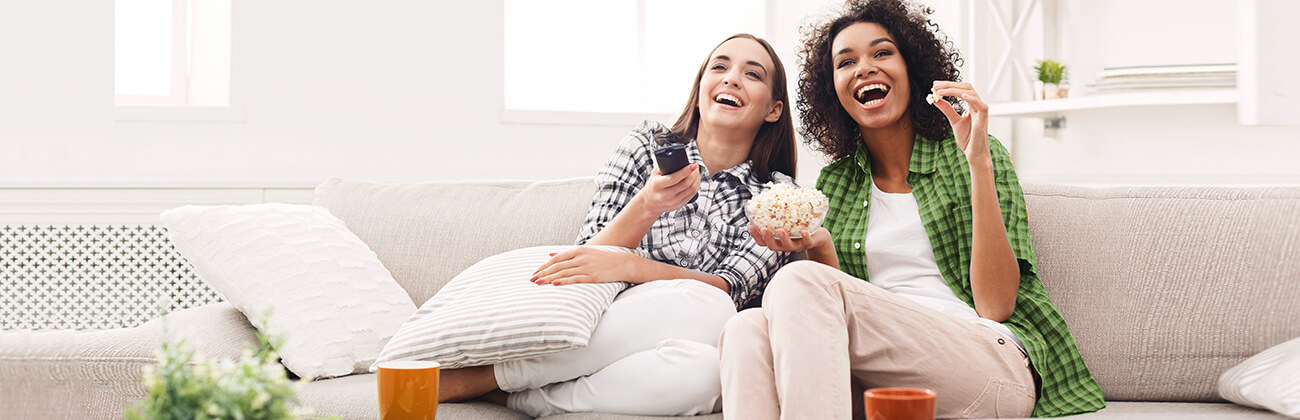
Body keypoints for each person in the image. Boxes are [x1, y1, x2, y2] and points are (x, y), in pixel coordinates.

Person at [718, 1, 1106, 419]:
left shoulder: (970, 155)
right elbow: (837, 315)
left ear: (913, 69)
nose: (864, 68)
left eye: (882, 53)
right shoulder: (837, 183)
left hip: (988, 366)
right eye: (846, 62)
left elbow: (996, 306)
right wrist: (820, 244)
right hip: (881, 379)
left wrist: (978, 163)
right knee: (745, 329)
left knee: (797, 281)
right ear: (833, 90)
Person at [436, 33, 799, 417]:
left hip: (695, 332)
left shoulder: (776, 196)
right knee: (711, 306)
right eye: (720, 67)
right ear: (699, 90)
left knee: (712, 367)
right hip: (609, 314)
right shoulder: (646, 146)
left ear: (773, 110)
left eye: (752, 74)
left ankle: (517, 396)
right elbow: (587, 257)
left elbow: (730, 288)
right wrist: (647, 204)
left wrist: (631, 265)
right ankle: (496, 375)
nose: (731, 78)